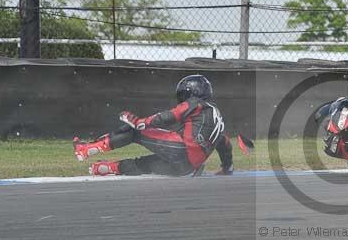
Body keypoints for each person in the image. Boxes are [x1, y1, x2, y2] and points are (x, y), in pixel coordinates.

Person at [73, 74, 234, 176]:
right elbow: (226, 144)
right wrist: (227, 168)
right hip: (187, 168)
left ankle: (86, 149)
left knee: (134, 131)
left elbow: (170, 115)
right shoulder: (218, 118)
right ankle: (108, 168)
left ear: (192, 93)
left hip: (181, 149)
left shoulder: (196, 103)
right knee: (146, 164)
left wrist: (141, 122)